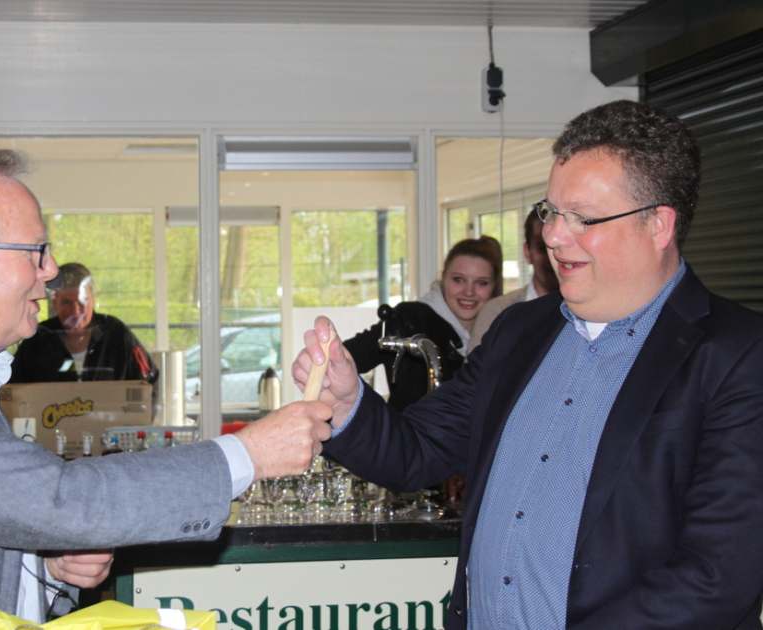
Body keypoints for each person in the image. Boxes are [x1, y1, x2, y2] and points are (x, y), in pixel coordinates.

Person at [294, 100, 763, 629]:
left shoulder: (738, 355)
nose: (554, 236)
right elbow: (419, 450)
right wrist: (349, 399)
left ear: (658, 224)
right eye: (551, 211)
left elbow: (718, 575)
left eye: (583, 217)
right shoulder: (521, 330)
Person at [0, 149, 331, 629]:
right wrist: (248, 454)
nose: (48, 274)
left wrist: (47, 568)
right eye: (35, 252)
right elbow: (57, 499)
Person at [343, 236, 502, 411]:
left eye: (482, 283)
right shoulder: (411, 319)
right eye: (458, 280)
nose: (469, 292)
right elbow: (345, 359)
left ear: (494, 286)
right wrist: (371, 418)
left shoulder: (499, 331)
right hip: (408, 436)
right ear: (443, 278)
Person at [10, 262, 158, 383]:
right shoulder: (38, 339)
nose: (75, 312)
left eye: (82, 302)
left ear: (93, 300)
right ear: (54, 303)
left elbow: (149, 380)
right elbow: (14, 390)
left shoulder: (116, 333)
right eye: (66, 302)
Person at [469, 209, 559, 349]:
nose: (552, 257)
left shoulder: (588, 314)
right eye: (542, 248)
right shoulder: (497, 312)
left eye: (558, 247)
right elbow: (478, 370)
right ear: (527, 252)